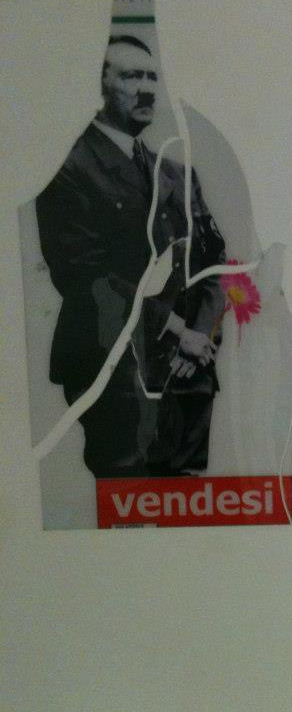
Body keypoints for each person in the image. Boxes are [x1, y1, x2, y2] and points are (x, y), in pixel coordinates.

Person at [35, 35, 227, 478]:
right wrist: (177, 332)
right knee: (130, 503)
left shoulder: (177, 174)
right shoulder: (65, 168)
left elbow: (215, 264)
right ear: (96, 85)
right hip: (115, 371)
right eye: (130, 76)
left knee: (187, 507)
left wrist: (199, 336)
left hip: (189, 375)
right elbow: (87, 277)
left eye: (152, 77)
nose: (146, 90)